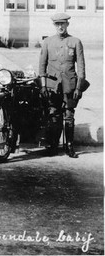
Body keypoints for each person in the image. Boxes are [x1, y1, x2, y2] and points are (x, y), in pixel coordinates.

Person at [39, 13, 86, 158]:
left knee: (69, 115)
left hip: (70, 85)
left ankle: (69, 146)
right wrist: (43, 86)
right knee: (54, 114)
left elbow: (81, 68)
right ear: (54, 25)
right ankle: (53, 145)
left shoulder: (75, 42)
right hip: (53, 85)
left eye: (63, 24)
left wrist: (79, 87)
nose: (60, 27)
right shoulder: (47, 42)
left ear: (67, 25)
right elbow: (42, 67)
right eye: (57, 24)